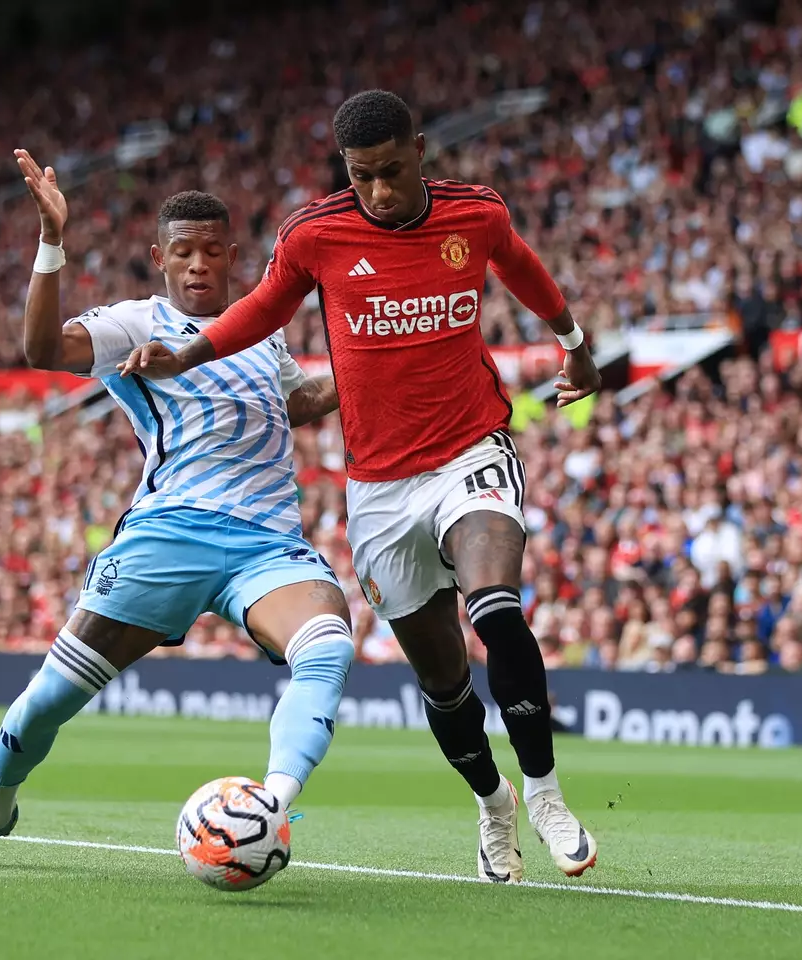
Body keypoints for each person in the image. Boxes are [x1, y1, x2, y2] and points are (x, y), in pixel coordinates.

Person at [121, 91, 601, 881]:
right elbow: (262, 307)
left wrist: (574, 344)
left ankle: (546, 793)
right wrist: (189, 353)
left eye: (390, 172)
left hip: (469, 446)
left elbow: (521, 265)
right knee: (443, 681)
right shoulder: (316, 234)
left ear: (420, 151)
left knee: (497, 609)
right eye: (361, 176)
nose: (377, 191)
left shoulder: (474, 214)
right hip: (378, 486)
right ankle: (494, 803)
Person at [0, 151, 354, 867]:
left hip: (268, 543)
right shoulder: (133, 323)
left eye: (213, 252)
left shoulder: (259, 329)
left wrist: (364, 367)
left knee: (328, 643)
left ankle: (269, 805)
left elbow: (295, 402)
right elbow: (42, 348)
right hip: (167, 538)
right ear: (159, 258)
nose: (199, 265)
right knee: (49, 699)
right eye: (184, 253)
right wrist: (53, 241)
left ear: (235, 257)